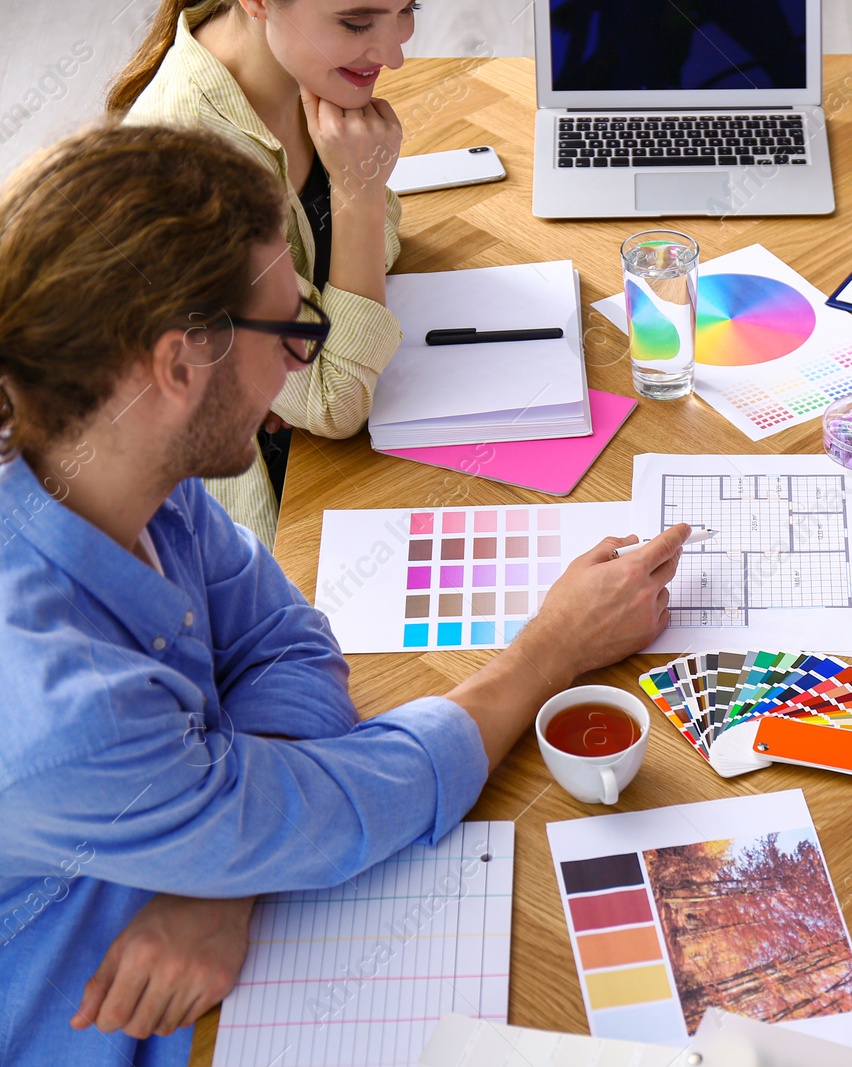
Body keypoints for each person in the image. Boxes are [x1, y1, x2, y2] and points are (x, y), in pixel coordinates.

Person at [0, 123, 689, 1067]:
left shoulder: (120, 462)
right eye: (292, 331)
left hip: (193, 910)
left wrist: (226, 868)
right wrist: (545, 655)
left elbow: (287, 643)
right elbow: (341, 807)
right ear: (173, 363)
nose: (302, 361)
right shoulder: (57, 709)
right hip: (116, 1013)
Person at [108, 0, 416, 546]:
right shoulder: (188, 172)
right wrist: (357, 192)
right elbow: (335, 400)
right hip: (257, 524)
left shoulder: (299, 65)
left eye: (408, 8)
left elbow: (387, 229)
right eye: (357, 22)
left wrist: (362, 206)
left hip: (328, 439)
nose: (392, 55)